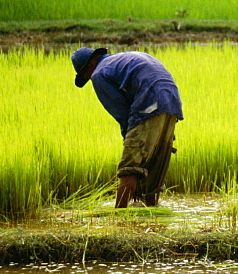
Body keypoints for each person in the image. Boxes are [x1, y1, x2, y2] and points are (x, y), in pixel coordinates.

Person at [71, 47, 184, 208]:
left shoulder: (99, 74)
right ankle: (151, 214)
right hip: (172, 103)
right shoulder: (123, 59)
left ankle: (119, 218)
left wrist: (130, 140)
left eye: (85, 76)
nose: (90, 79)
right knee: (154, 167)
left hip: (149, 103)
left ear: (89, 67)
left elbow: (122, 113)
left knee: (129, 168)